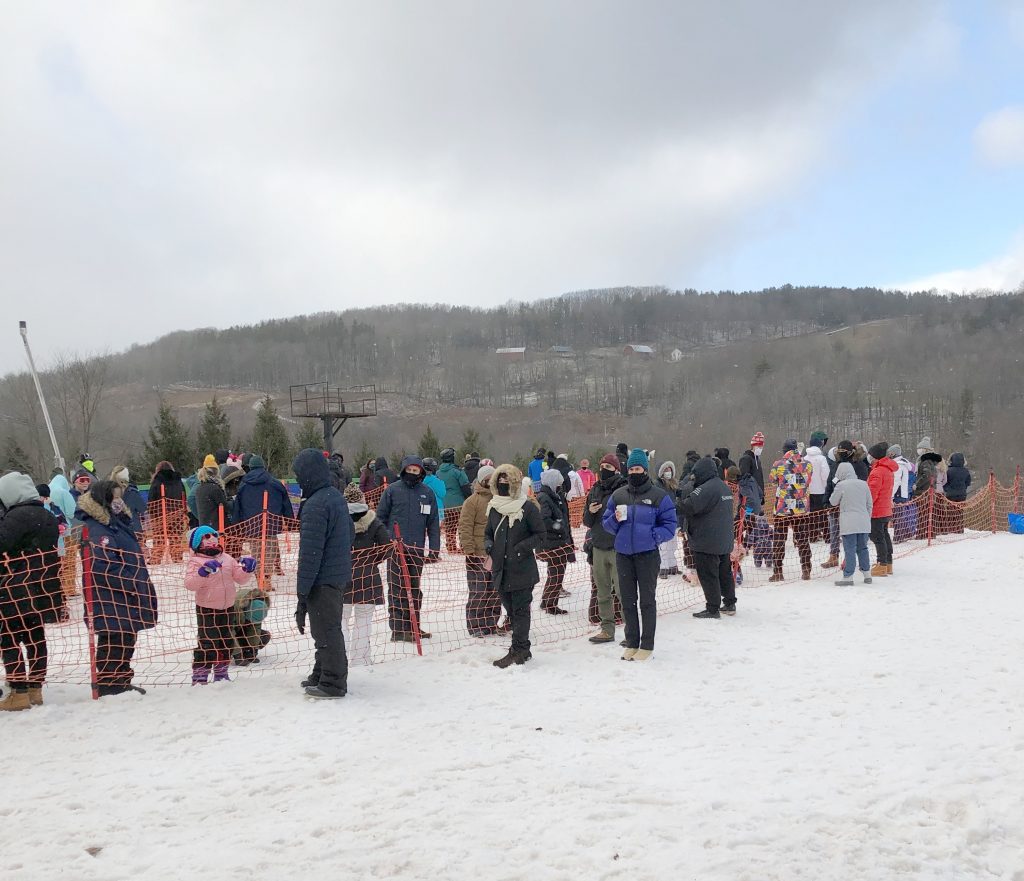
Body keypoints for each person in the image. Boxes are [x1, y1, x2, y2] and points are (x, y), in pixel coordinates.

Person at [77, 480, 158, 696]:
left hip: (125, 595)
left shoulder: (117, 523)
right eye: (114, 497)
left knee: (126, 638)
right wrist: (132, 581)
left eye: (119, 496)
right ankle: (109, 684)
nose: (118, 501)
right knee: (114, 639)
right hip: (111, 597)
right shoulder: (97, 529)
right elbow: (103, 564)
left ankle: (121, 679)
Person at [602, 449, 678, 661]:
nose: (635, 472)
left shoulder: (658, 495)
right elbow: (606, 524)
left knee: (647, 600)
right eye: (632, 469)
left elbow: (671, 524)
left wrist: (654, 536)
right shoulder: (618, 495)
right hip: (624, 555)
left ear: (645, 470)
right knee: (627, 600)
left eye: (639, 468)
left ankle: (647, 644)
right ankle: (632, 641)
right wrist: (615, 520)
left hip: (647, 555)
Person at [292, 448, 353, 699]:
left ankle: (333, 682)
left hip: (323, 578)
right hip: (336, 575)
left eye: (299, 475)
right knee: (325, 628)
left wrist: (302, 591)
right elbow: (348, 533)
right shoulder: (334, 497)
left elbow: (310, 553)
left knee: (326, 630)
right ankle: (322, 672)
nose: (297, 480)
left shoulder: (316, 505)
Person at [0, 473, 62, 711]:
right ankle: (36, 689)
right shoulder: (46, 515)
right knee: (36, 637)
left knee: (10, 637)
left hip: (18, 585)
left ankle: (18, 692)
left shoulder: (17, 516)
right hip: (44, 586)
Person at [484, 464, 545, 668]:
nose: (503, 485)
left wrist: (521, 549)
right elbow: (488, 532)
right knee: (510, 609)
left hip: (522, 568)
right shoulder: (493, 506)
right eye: (499, 481)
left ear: (515, 484)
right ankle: (523, 647)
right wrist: (489, 545)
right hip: (501, 569)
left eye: (507, 481)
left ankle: (518, 650)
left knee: (520, 611)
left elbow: (540, 535)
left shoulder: (526, 507)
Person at [377, 456, 440, 641]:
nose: (413, 473)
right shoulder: (392, 491)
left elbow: (433, 523)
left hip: (416, 549)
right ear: (404, 470)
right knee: (397, 589)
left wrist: (434, 548)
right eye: (410, 470)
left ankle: (414, 626)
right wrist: (386, 543)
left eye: (416, 471)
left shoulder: (427, 493)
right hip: (396, 549)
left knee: (414, 589)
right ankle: (398, 629)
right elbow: (380, 518)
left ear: (421, 472)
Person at [184, 526, 256, 685]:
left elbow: (240, 579)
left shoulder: (227, 558)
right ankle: (200, 676)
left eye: (214, 535)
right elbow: (190, 584)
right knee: (207, 643)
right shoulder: (196, 561)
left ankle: (221, 674)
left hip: (227, 607)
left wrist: (247, 570)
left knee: (226, 641)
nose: (212, 538)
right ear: (197, 543)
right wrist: (203, 572)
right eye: (207, 536)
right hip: (206, 609)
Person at [679, 457, 737, 618]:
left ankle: (712, 608)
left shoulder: (706, 488)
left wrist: (674, 501)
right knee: (724, 572)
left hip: (707, 540)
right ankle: (730, 602)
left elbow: (688, 506)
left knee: (708, 574)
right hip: (723, 539)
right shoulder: (723, 487)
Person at [343, 484, 391, 666]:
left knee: (341, 620)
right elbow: (387, 546)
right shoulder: (374, 521)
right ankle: (361, 660)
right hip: (368, 576)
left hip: (342, 575)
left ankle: (341, 658)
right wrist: (373, 560)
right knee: (363, 621)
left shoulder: (338, 519)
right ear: (362, 500)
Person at [582, 455, 625, 644]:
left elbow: (627, 519)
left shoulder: (623, 489)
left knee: (623, 591)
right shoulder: (595, 489)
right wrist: (590, 512)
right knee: (602, 591)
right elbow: (585, 521)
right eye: (602, 466)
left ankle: (632, 629)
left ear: (616, 469)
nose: (604, 469)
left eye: (608, 466)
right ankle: (607, 629)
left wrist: (617, 516)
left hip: (618, 546)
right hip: (598, 545)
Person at [233, 455, 293, 584]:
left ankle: (260, 576)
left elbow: (237, 507)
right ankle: (266, 577)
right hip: (271, 523)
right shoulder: (275, 483)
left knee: (256, 552)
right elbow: (286, 503)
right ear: (263, 466)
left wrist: (237, 525)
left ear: (250, 467)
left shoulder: (243, 486)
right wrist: (289, 521)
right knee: (269, 551)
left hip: (251, 524)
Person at [458, 465, 501, 636]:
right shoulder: (472, 501)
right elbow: (465, 526)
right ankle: (475, 624)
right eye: (488, 478)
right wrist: (468, 549)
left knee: (495, 590)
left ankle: (491, 623)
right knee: (479, 590)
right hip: (477, 554)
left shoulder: (500, 499)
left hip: (496, 553)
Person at [768, 439, 813, 581]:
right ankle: (806, 569)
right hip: (801, 507)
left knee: (779, 540)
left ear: (784, 450)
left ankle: (778, 572)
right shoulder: (808, 464)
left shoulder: (778, 464)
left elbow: (772, 479)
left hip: (783, 507)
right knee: (802, 539)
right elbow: (808, 480)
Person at [828, 462, 874, 586]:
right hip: (863, 522)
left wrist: (835, 485)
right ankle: (867, 574)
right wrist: (866, 516)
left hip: (848, 523)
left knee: (850, 550)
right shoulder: (864, 484)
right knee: (863, 548)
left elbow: (832, 502)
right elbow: (870, 504)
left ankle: (848, 576)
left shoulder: (841, 485)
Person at [536, 468, 573, 615]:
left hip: (556, 541)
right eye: (558, 484)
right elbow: (544, 520)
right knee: (556, 573)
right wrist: (558, 527)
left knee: (555, 572)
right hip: (551, 542)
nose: (560, 486)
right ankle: (550, 604)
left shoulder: (553, 495)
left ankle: (547, 600)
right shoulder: (545, 497)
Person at [148, 460, 188, 565]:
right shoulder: (178, 482)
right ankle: (177, 558)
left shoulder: (157, 482)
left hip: (159, 515)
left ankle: (156, 559)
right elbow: (183, 497)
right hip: (176, 515)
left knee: (159, 539)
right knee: (175, 539)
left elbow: (151, 500)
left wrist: (152, 514)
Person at [867, 442, 897, 577]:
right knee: (884, 535)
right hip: (885, 508)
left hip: (877, 510)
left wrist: (867, 505)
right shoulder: (888, 469)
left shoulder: (877, 471)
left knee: (877, 536)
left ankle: (882, 563)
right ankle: (888, 563)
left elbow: (873, 492)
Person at [438, 448, 470, 552]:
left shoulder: (438, 473)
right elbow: (466, 488)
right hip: (459, 504)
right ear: (452, 458)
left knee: (449, 527)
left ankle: (451, 546)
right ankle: (463, 546)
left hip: (445, 505)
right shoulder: (457, 472)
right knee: (463, 527)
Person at [655, 461, 681, 578]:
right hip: (663, 519)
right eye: (666, 470)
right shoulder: (657, 485)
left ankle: (672, 565)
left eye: (670, 470)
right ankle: (663, 567)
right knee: (664, 544)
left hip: (674, 518)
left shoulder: (674, 485)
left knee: (673, 544)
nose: (668, 472)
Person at [803, 433, 830, 541]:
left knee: (811, 514)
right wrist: (825, 486)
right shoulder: (821, 458)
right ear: (820, 445)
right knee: (823, 514)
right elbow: (825, 474)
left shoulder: (804, 458)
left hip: (808, 491)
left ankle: (813, 536)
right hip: (820, 490)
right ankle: (827, 536)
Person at [195, 455, 229, 530]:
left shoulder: (199, 488)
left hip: (204, 527)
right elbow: (224, 506)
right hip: (216, 528)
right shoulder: (214, 488)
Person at [109, 466, 146, 535]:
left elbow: (143, 511)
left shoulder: (132, 492)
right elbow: (143, 510)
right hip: (128, 531)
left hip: (126, 531)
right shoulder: (132, 492)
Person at [737, 432, 766, 515]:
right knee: (746, 518)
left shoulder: (757, 460)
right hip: (750, 497)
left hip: (758, 495)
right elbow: (744, 478)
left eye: (761, 446)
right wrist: (749, 496)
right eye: (759, 446)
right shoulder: (746, 459)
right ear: (753, 445)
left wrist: (761, 495)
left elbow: (759, 478)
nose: (760, 448)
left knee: (756, 520)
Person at [421, 458, 447, 526]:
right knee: (435, 532)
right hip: (437, 510)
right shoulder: (435, 481)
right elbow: (442, 493)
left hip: (423, 510)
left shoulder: (419, 480)